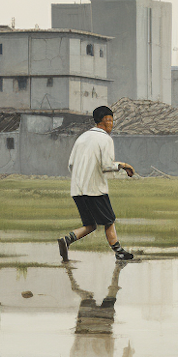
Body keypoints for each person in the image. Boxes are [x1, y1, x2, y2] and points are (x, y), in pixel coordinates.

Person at [58, 105, 136, 262]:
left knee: (90, 224)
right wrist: (124, 165)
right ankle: (119, 252)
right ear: (105, 121)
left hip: (77, 190)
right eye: (111, 121)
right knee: (109, 221)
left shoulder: (81, 138)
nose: (112, 124)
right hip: (95, 190)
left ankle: (67, 240)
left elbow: (71, 165)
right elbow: (107, 165)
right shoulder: (105, 139)